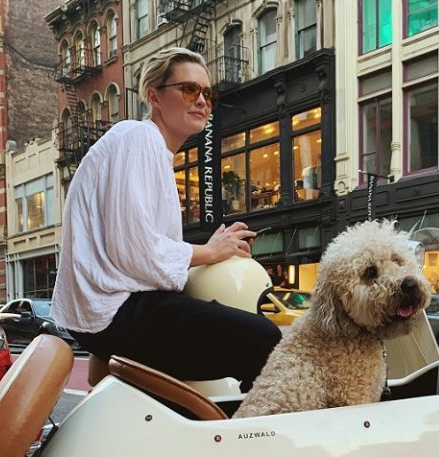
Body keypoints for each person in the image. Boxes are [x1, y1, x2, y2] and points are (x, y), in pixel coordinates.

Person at [51, 47, 281, 391]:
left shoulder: (152, 152)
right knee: (266, 339)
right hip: (116, 311)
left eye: (208, 93)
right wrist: (210, 252)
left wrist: (211, 250)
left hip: (107, 313)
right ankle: (254, 437)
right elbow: (135, 250)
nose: (201, 100)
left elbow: (134, 250)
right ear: (154, 96)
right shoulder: (138, 137)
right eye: (189, 89)